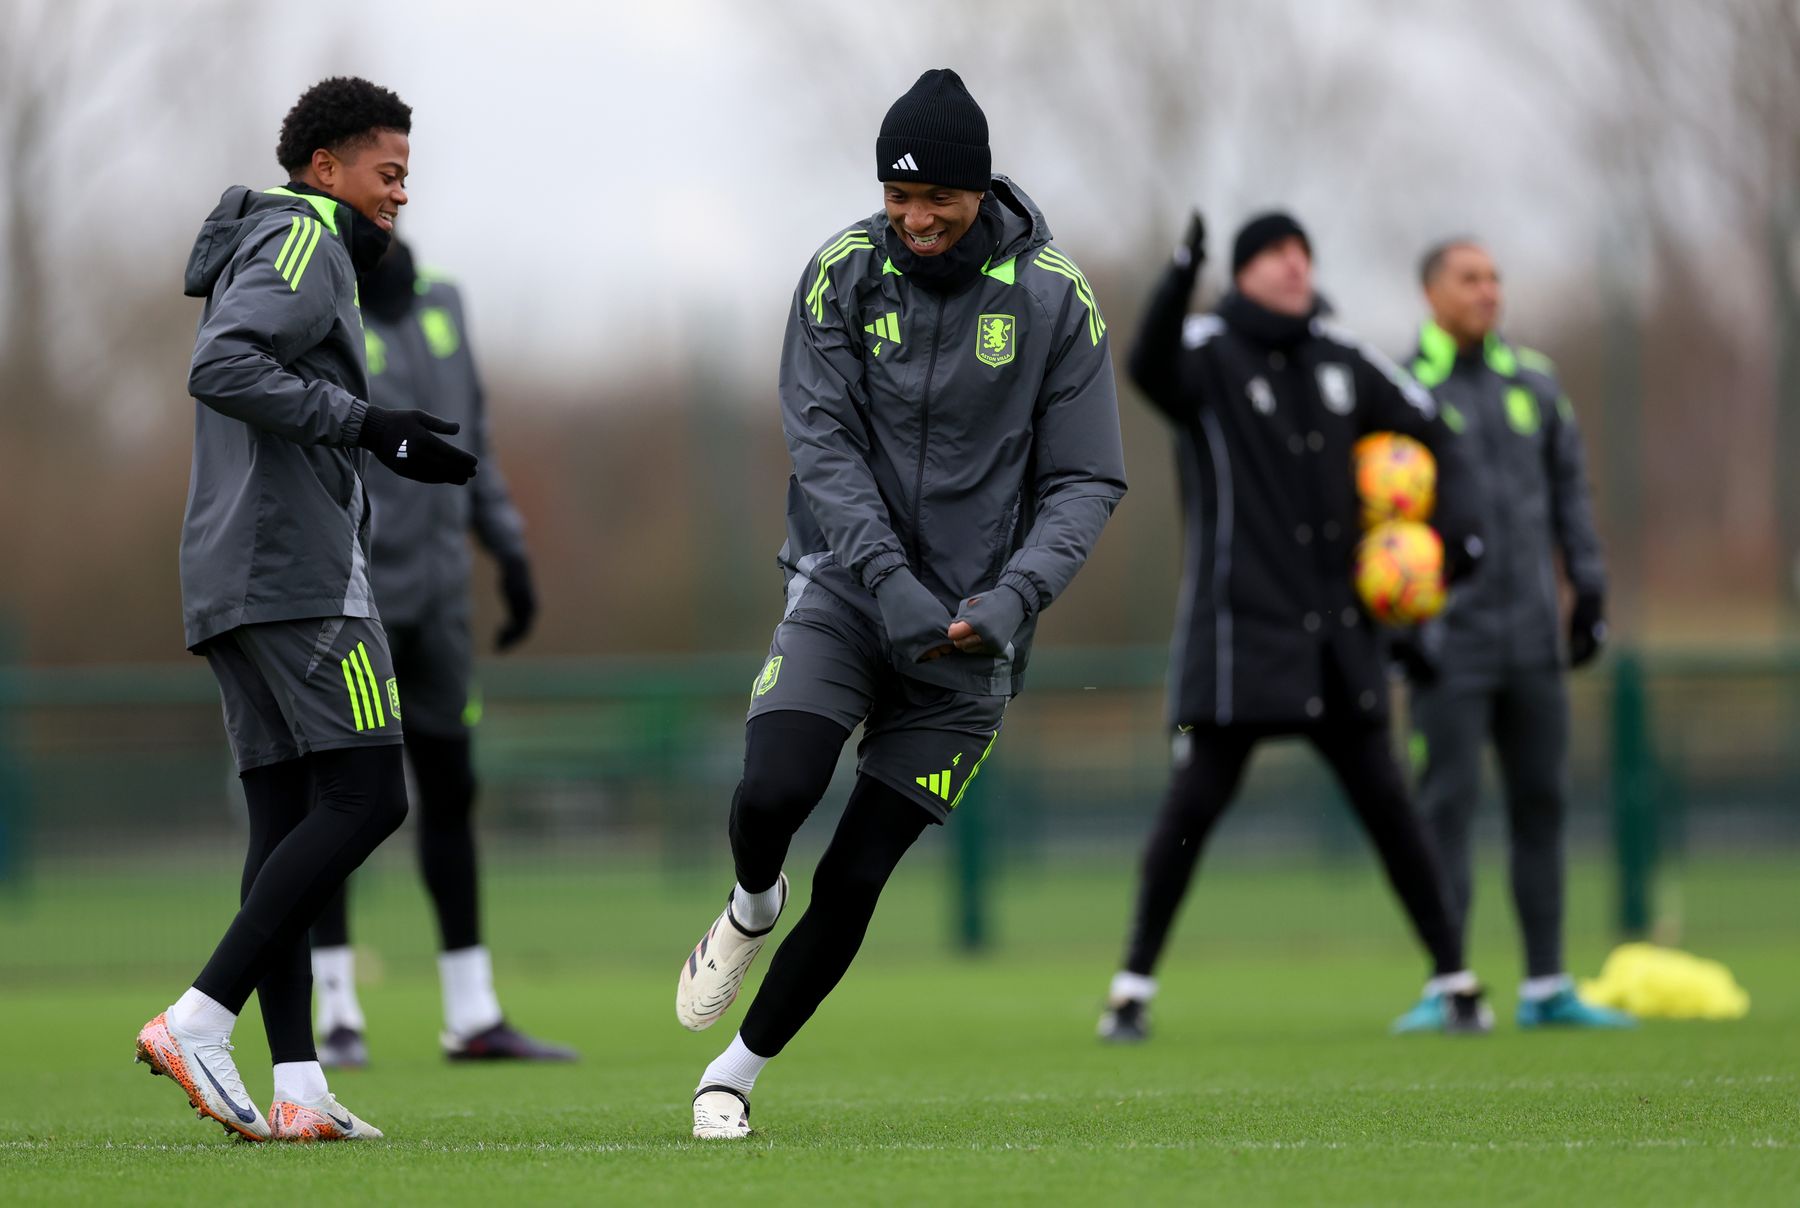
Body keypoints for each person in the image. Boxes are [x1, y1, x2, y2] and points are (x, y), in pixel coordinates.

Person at [674, 68, 1127, 1139]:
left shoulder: (1055, 297)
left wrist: (1013, 598)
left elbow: (1087, 478)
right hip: (845, 590)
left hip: (971, 639)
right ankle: (749, 903)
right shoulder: (841, 273)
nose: (915, 219)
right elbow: (820, 444)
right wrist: (887, 580)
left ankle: (730, 1076)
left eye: (938, 199)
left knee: (861, 869)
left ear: (980, 190)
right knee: (774, 787)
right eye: (896, 197)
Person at [135, 77, 477, 1143]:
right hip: (295, 578)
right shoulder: (302, 238)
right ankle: (198, 1015)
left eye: (407, 179)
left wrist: (374, 433)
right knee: (373, 792)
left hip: (233, 576)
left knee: (287, 819)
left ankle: (299, 1086)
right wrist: (373, 426)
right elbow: (223, 362)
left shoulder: (274, 243)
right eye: (389, 174)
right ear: (325, 168)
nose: (400, 196)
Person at [1098, 211, 1490, 1043]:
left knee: (1390, 807)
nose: (1293, 266)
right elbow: (1144, 366)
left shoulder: (1342, 358)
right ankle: (1130, 989)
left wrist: (1455, 545)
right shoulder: (1205, 353)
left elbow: (1438, 434)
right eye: (1275, 254)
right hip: (1238, 637)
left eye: (1303, 253)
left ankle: (1457, 979)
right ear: (1241, 273)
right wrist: (1177, 272)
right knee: (1192, 808)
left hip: (1337, 638)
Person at [306, 237, 575, 1068]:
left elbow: (477, 442)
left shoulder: (446, 302)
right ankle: (338, 1014)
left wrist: (510, 549)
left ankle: (473, 1014)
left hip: (443, 605)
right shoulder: (330, 309)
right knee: (344, 795)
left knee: (453, 789)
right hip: (360, 600)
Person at [1403, 239, 1630, 1029]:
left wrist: (1589, 587)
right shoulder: (1405, 388)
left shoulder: (1534, 381)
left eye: (1495, 278)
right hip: (1447, 645)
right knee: (1447, 810)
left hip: (1534, 638)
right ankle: (1449, 986)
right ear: (1431, 293)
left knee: (1542, 805)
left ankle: (1546, 986)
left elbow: (1572, 489)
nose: (1488, 291)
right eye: (1470, 279)